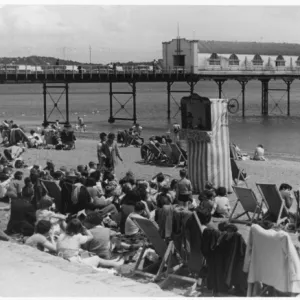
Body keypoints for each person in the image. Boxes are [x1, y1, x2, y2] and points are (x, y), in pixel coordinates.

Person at [57, 219, 123, 268]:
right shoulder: (78, 237)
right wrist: (85, 229)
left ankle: (113, 261)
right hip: (72, 261)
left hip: (63, 258)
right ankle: (115, 264)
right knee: (96, 258)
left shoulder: (61, 235)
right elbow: (91, 237)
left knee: (85, 252)